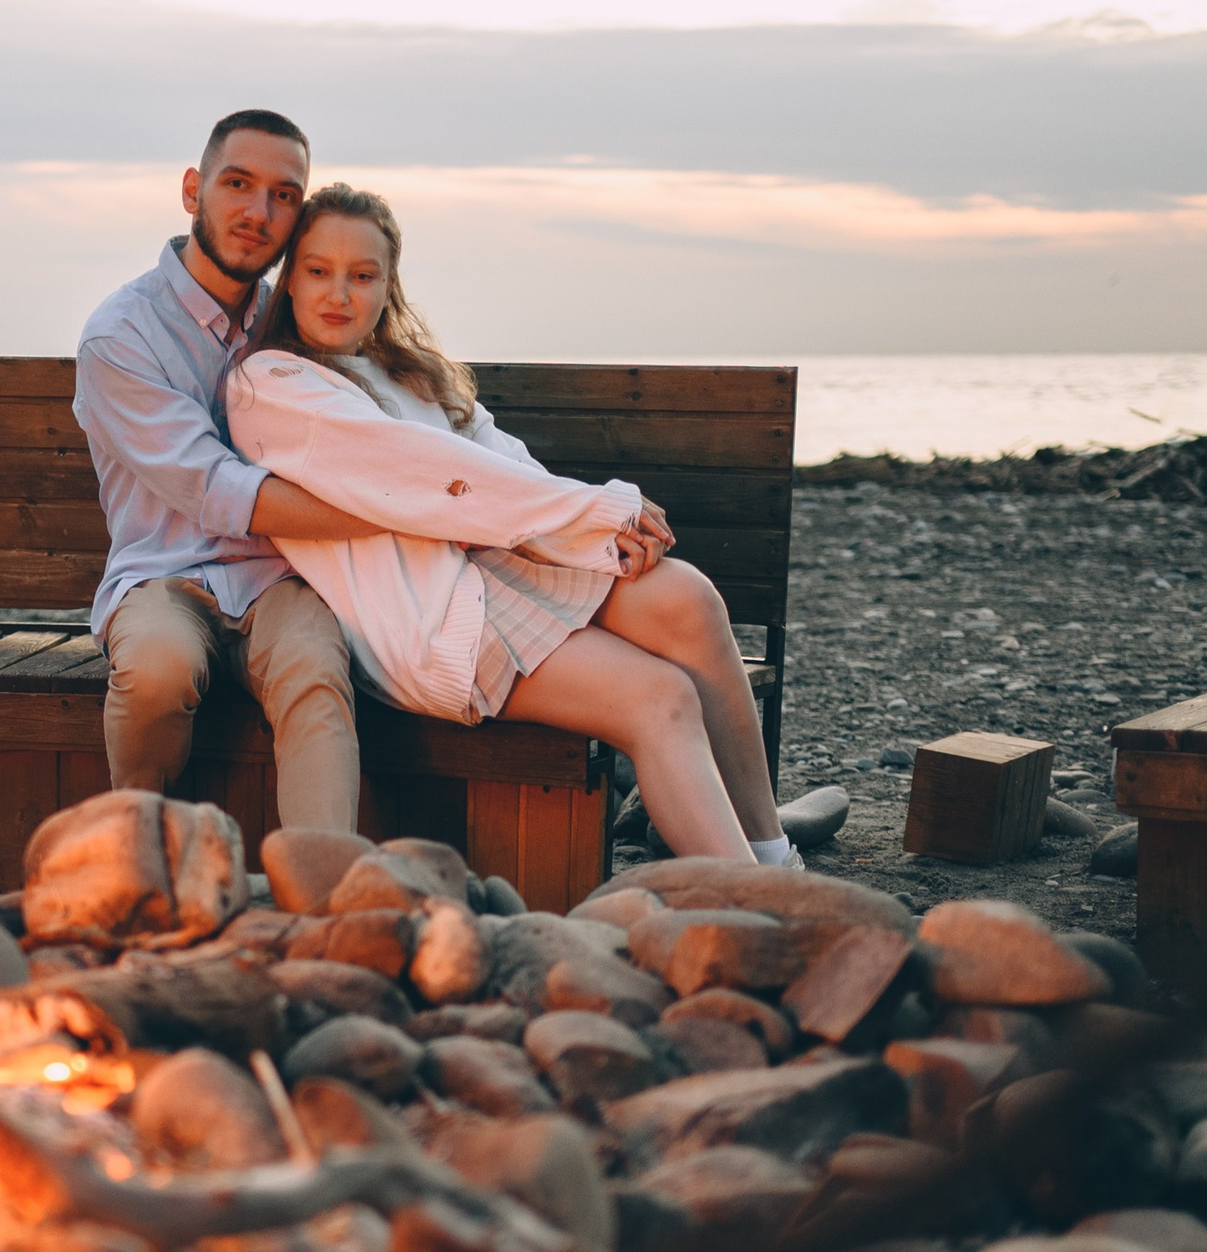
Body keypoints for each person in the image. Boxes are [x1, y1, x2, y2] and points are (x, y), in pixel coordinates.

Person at [224, 184, 792, 866]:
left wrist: (599, 530)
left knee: (689, 599)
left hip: (498, 564)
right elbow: (419, 467)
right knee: (657, 697)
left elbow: (503, 461)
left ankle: (774, 854)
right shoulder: (271, 384)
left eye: (363, 275)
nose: (338, 294)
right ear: (288, 281)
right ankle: (754, 907)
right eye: (317, 271)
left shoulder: (407, 372)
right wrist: (596, 512)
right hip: (432, 616)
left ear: (388, 286)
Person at [72, 110, 377, 833]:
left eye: (283, 194)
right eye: (238, 184)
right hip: (164, 574)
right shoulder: (122, 334)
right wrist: (398, 512)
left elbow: (397, 419)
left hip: (281, 576)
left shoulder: (294, 320)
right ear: (192, 190)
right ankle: (139, 855)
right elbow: (214, 487)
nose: (258, 212)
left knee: (316, 671)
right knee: (156, 669)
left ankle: (323, 891)